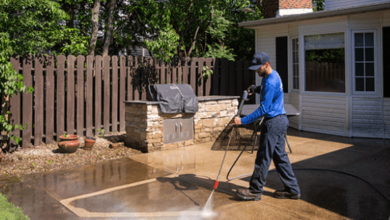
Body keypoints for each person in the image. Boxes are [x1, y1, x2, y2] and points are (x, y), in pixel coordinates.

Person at [233, 52, 300, 201]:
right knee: (280, 157)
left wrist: (242, 121)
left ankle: (255, 191)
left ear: (266, 64)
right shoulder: (272, 75)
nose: (257, 71)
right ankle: (293, 189)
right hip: (280, 120)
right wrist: (255, 89)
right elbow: (269, 90)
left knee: (263, 157)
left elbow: (264, 109)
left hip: (273, 123)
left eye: (258, 68)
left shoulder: (270, 81)